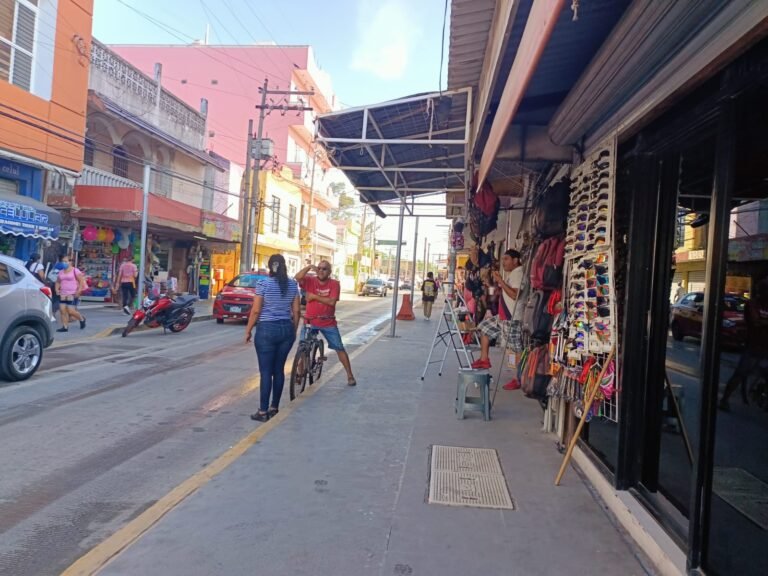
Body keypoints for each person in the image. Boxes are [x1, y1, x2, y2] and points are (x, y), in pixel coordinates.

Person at [245, 254, 300, 422]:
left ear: (270, 266)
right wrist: (293, 330)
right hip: (286, 329)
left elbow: (255, 311)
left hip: (266, 330)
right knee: (279, 370)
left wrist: (248, 330)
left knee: (266, 372)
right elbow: (296, 311)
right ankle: (274, 407)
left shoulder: (263, 283)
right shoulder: (292, 284)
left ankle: (262, 411)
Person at [296, 260, 357, 386]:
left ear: (329, 272)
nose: (321, 270)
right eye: (319, 268)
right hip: (310, 320)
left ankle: (350, 375)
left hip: (328, 322)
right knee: (303, 347)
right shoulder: (310, 280)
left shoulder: (334, 284)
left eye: (324, 269)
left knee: (339, 348)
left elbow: (331, 302)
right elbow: (297, 277)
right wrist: (309, 267)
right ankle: (300, 374)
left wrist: (314, 297)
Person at [471, 249, 525, 390]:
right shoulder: (512, 274)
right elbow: (507, 293)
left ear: (515, 260)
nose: (504, 262)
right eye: (503, 259)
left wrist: (500, 281)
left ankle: (517, 378)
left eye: (506, 259)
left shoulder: (519, 274)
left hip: (512, 317)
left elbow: (515, 294)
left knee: (514, 349)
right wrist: (496, 287)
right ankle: (484, 359)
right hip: (503, 315)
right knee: (484, 328)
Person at [718, 278, 768, 411]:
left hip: (765, 347)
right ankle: (725, 399)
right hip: (753, 346)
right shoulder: (752, 305)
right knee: (740, 373)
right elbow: (755, 322)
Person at [54, 255, 87, 332]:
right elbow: (58, 281)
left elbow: (81, 281)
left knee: (70, 311)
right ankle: (65, 327)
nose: (64, 263)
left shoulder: (75, 270)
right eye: (63, 261)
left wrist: (79, 291)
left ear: (70, 262)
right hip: (63, 293)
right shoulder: (61, 272)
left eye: (66, 261)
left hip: (72, 293)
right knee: (62, 310)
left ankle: (81, 318)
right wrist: (56, 289)